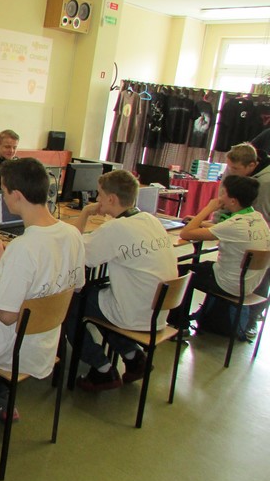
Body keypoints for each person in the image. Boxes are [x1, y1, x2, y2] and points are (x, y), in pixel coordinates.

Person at [0, 158, 84, 422]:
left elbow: (6, 316)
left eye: (4, 192)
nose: (3, 198)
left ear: (16, 196)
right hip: (45, 345)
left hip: (13, 348)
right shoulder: (73, 235)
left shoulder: (24, 248)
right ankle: (0, 401)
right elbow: (77, 285)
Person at [66, 170, 178, 391]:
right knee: (99, 298)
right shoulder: (150, 220)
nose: (97, 199)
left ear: (111, 199)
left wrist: (85, 213)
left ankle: (102, 369)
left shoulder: (116, 228)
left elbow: (74, 251)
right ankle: (133, 356)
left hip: (134, 312)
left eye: (99, 194)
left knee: (70, 303)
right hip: (157, 311)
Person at [177, 175, 270, 337]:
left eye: (223, 193)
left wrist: (208, 208)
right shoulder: (257, 218)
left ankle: (179, 325)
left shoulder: (236, 225)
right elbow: (224, 228)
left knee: (180, 273)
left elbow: (186, 233)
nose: (220, 197)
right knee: (201, 265)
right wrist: (200, 222)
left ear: (233, 201)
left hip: (229, 285)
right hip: (248, 283)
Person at [224, 143, 270, 222]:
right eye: (228, 167)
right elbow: (224, 197)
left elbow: (260, 218)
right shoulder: (234, 166)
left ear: (251, 165)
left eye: (235, 168)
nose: (230, 172)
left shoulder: (265, 182)